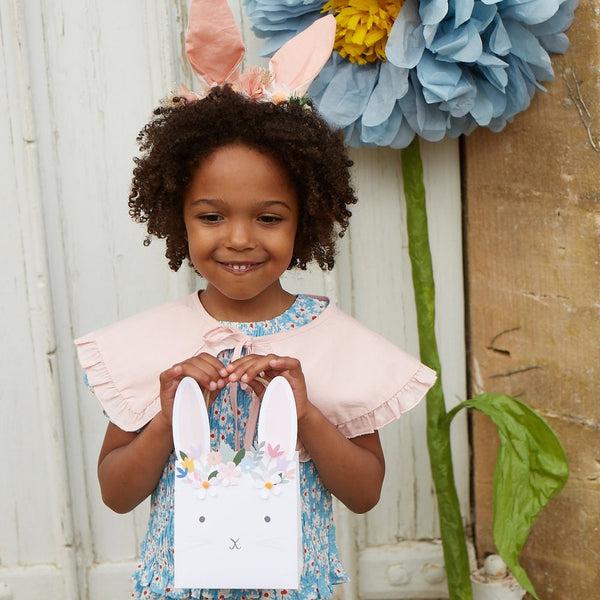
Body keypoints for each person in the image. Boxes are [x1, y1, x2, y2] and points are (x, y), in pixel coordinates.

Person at [75, 3, 436, 599]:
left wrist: (307, 413)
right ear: (178, 218)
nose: (239, 238)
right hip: (180, 586)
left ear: (306, 219)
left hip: (293, 585)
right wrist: (167, 415)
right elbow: (116, 494)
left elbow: (364, 492)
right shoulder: (151, 344)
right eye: (212, 216)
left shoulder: (331, 340)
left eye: (268, 217)